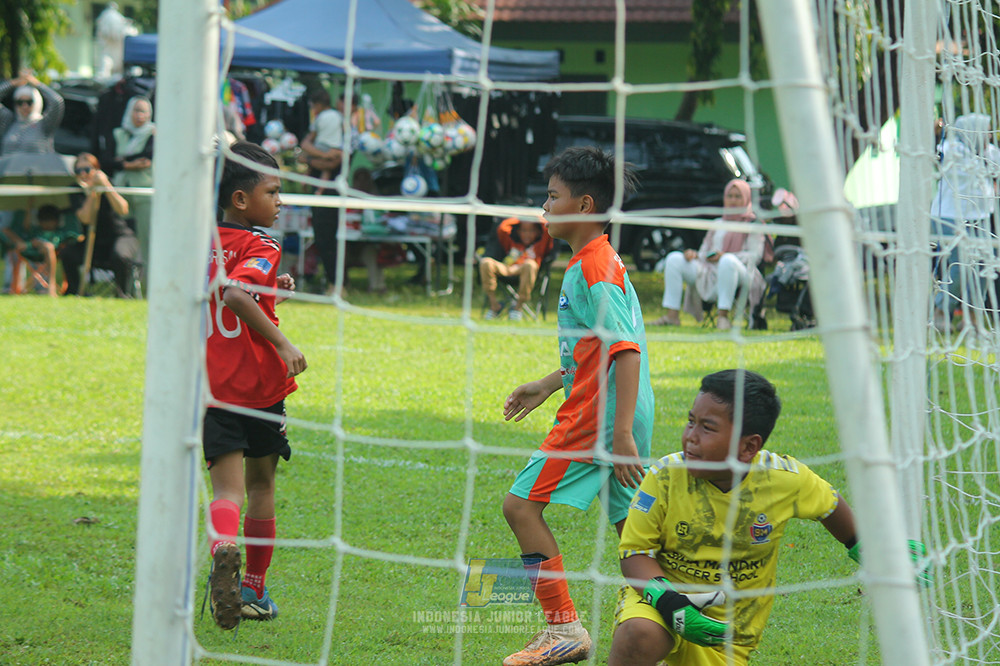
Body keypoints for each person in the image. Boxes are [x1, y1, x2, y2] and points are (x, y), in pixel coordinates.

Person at [500, 146, 654, 666]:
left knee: (520, 506)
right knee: (633, 535)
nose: (543, 207)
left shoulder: (595, 267)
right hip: (619, 410)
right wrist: (549, 383)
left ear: (584, 205)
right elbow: (594, 350)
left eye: (552, 196)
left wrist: (620, 433)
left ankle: (563, 628)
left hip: (600, 418)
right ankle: (681, 619)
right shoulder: (594, 260)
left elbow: (625, 350)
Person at [608, 369, 859, 666]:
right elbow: (634, 554)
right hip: (660, 601)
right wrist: (673, 605)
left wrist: (870, 550)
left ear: (749, 447)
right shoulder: (665, 477)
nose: (690, 437)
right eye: (691, 421)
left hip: (726, 635)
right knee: (639, 633)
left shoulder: (783, 478)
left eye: (707, 428)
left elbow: (832, 507)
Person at [203, 141, 307, 630]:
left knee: (226, 489)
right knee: (261, 483)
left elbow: (224, 301)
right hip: (261, 387)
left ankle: (223, 547)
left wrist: (270, 296)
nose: (280, 201)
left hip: (213, 386)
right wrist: (283, 343)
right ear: (241, 199)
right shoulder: (261, 244)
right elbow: (236, 295)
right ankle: (253, 590)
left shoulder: (202, 242)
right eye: (273, 191)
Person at [652, 179, 771, 330]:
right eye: (730, 196)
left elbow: (755, 256)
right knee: (674, 259)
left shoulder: (753, 224)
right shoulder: (717, 223)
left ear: (747, 198)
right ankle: (672, 316)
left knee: (727, 261)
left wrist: (724, 256)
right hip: (710, 270)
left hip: (742, 272)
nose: (733, 200)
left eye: (738, 196)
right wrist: (694, 255)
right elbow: (704, 252)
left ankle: (723, 317)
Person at [930, 113, 1000, 333]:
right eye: (985, 131)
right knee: (959, 268)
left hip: (980, 218)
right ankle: (941, 311)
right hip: (950, 217)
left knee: (984, 267)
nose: (989, 136)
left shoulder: (990, 152)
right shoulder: (952, 150)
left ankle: (973, 318)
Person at [59, 153, 140, 297]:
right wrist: (93, 193)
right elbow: (85, 218)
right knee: (68, 253)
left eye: (87, 169)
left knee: (120, 255)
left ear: (97, 170)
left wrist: (105, 186)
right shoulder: (76, 190)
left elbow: (123, 209)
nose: (83, 174)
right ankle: (75, 292)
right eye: (78, 171)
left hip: (120, 237)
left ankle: (122, 294)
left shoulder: (108, 184)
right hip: (94, 241)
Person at [299, 89, 346, 295]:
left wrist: (311, 158)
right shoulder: (330, 122)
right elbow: (316, 153)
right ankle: (334, 283)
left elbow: (332, 161)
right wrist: (318, 158)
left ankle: (337, 284)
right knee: (323, 238)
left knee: (327, 238)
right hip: (322, 189)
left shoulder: (331, 120)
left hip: (330, 193)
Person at [479, 215, 554, 321]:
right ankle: (494, 305)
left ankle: (517, 308)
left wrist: (535, 216)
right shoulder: (511, 241)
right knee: (486, 262)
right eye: (523, 231)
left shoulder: (540, 245)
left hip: (526, 271)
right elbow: (503, 227)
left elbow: (547, 227)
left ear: (538, 232)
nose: (527, 234)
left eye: (531, 231)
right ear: (518, 232)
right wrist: (520, 217)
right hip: (507, 269)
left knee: (530, 264)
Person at [111, 96, 155, 272]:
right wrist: (130, 164)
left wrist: (122, 161)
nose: (139, 115)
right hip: (121, 192)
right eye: (136, 110)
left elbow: (148, 157)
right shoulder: (119, 133)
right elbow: (107, 160)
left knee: (147, 239)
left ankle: (149, 281)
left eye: (143, 111)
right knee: (123, 240)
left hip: (145, 195)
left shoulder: (153, 133)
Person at [14, 204, 82, 296]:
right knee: (21, 248)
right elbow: (27, 238)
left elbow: (74, 237)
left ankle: (51, 285)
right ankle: (15, 286)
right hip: (33, 252)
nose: (47, 224)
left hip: (54, 252)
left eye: (50, 221)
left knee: (48, 247)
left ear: (56, 221)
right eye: (44, 221)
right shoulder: (36, 231)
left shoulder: (59, 233)